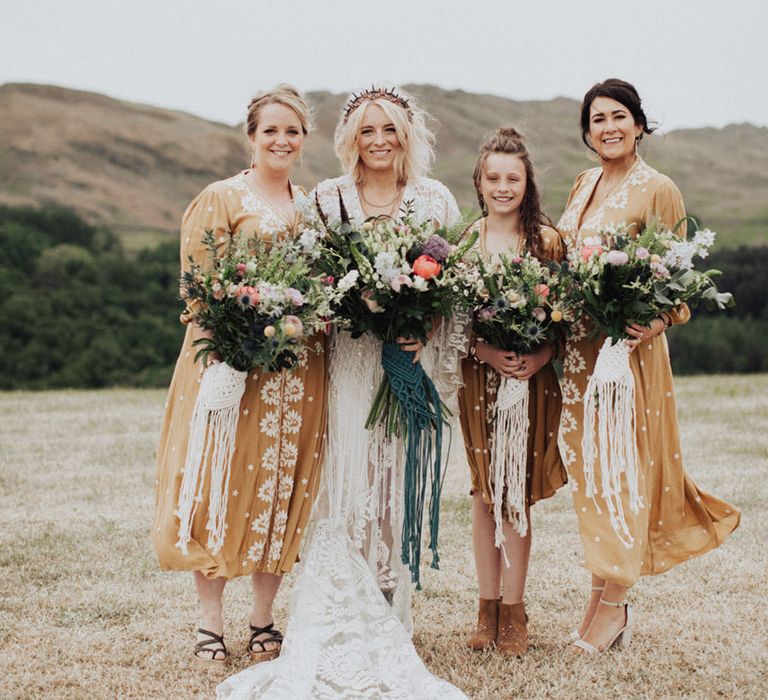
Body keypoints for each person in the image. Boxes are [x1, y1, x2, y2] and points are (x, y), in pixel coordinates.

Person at [217, 86, 468, 699]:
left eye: (389, 129)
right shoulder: (328, 200)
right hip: (348, 364)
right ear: (350, 138)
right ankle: (342, 613)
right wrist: (360, 307)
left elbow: (459, 291)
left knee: (393, 489)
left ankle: (389, 613)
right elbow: (315, 284)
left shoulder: (435, 201)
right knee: (347, 485)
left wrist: (422, 326)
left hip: (408, 366)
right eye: (366, 130)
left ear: (408, 136)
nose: (378, 140)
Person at [557, 78, 740, 654]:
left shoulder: (658, 188)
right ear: (587, 133)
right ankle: (597, 599)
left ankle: (613, 608)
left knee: (622, 473)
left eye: (618, 116)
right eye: (597, 120)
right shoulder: (584, 182)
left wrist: (656, 321)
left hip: (627, 358)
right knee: (594, 479)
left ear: (639, 123)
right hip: (579, 358)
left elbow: (678, 283)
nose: (608, 127)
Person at [152, 85, 327, 665]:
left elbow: (320, 289)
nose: (282, 140)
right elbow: (199, 291)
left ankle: (263, 620)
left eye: (292, 131)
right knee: (220, 485)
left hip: (297, 375)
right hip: (231, 366)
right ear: (251, 137)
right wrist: (229, 351)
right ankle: (209, 623)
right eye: (271, 130)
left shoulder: (311, 206)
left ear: (303, 140)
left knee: (281, 487)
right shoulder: (221, 198)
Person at [458, 127, 567, 655]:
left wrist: (539, 356)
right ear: (479, 182)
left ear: (528, 183)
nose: (503, 187)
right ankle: (486, 608)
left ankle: (515, 611)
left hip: (530, 381)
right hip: (480, 380)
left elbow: (568, 319)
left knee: (516, 493)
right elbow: (452, 322)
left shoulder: (547, 242)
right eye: (493, 178)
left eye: (513, 178)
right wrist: (484, 352)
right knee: (485, 492)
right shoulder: (464, 243)